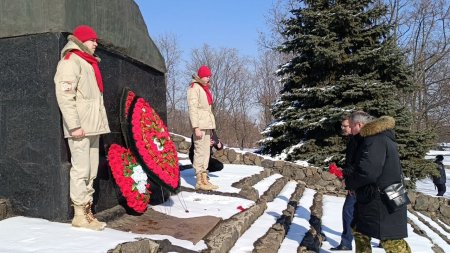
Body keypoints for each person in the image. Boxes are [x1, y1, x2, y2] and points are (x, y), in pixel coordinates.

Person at [54, 25, 110, 230]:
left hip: (93, 127)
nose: (96, 44)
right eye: (92, 40)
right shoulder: (71, 61)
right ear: (81, 40)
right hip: (80, 128)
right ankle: (79, 214)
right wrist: (74, 126)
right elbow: (65, 96)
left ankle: (87, 211)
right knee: (81, 170)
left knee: (91, 171)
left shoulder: (89, 63)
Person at [345, 113, 411, 253]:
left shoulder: (375, 140)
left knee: (391, 240)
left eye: (351, 126)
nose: (350, 130)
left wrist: (350, 182)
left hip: (381, 198)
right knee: (359, 230)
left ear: (360, 125)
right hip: (384, 194)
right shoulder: (381, 137)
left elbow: (368, 171)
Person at [187, 65, 218, 191]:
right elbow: (193, 109)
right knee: (199, 151)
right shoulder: (194, 88)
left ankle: (205, 179)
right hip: (199, 125)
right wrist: (196, 127)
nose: (208, 78)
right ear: (200, 76)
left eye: (209, 76)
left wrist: (211, 128)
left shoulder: (204, 89)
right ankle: (199, 181)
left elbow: (207, 111)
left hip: (206, 125)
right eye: (206, 76)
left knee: (206, 152)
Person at [330, 116, 357, 251]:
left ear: (353, 125)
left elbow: (358, 164)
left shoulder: (359, 140)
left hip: (360, 184)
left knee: (348, 211)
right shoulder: (352, 139)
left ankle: (346, 243)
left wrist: (343, 173)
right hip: (354, 182)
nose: (342, 128)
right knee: (351, 212)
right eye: (341, 126)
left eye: (345, 126)